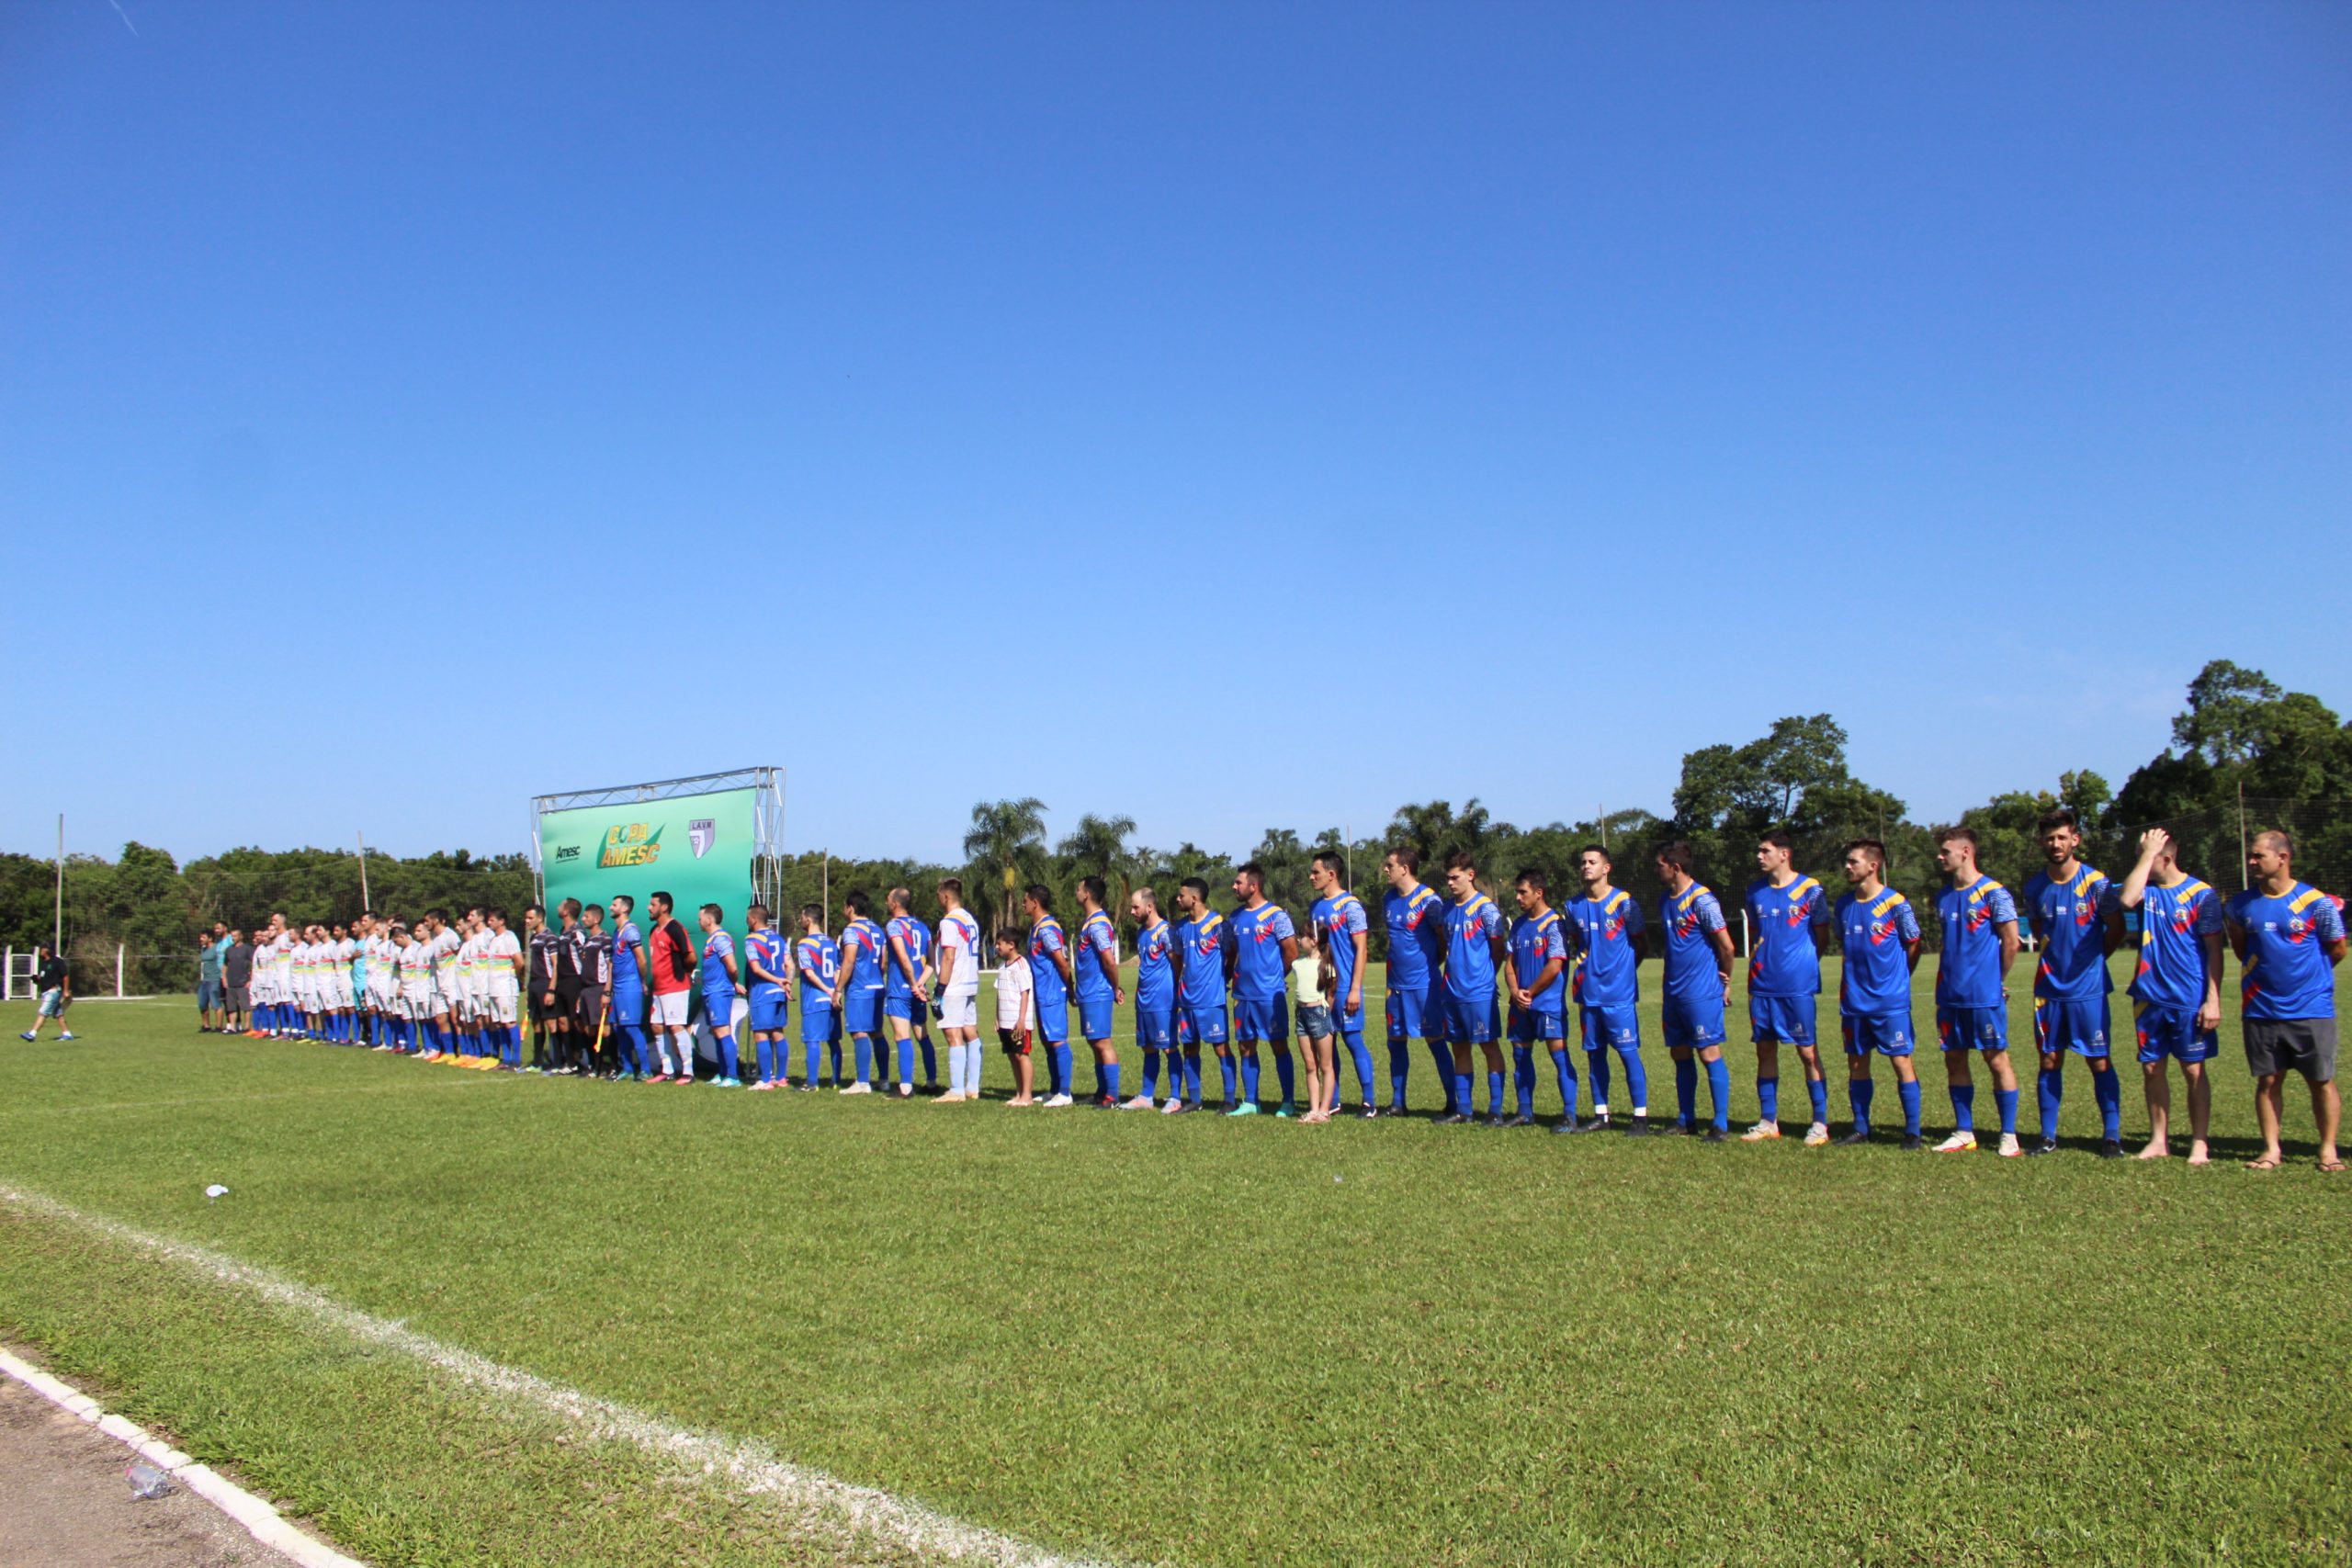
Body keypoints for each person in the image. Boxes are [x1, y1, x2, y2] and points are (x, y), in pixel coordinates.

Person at [2224, 830, 2346, 1172]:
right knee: (2268, 1080)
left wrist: (2307, 981)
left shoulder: (2316, 903)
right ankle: (2270, 1150)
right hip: (2261, 1009)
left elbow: (2337, 949)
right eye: (2251, 855)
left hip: (2312, 1009)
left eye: (2258, 856)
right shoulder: (2239, 905)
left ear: (2283, 858)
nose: (2251, 861)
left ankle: (2327, 1151)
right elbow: (2240, 948)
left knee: (2321, 1080)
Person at [2022, 808, 2124, 1157]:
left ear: (2075, 840)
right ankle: (2048, 1136)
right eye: (2049, 838)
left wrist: (2093, 961)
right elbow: (2040, 933)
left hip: (2089, 990)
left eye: (2062, 837)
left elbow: (2117, 929)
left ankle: (2111, 1136)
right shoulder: (2035, 887)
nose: (2056, 843)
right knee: (2049, 1060)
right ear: (2041, 842)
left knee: (2099, 1060)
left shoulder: (2096, 883)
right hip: (2049, 990)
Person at [2116, 828, 2222, 1164]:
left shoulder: (2202, 895)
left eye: (2146, 856)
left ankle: (2199, 1142)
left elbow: (2215, 951)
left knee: (2193, 1070)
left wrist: (2213, 999)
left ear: (2167, 857)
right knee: (2152, 1070)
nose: (2141, 862)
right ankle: (2158, 1140)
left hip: (2189, 997)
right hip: (2149, 997)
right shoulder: (2147, 892)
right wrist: (2146, 854)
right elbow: (2126, 899)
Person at [1930, 828, 2024, 1156]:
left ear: (1966, 851)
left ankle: (2008, 1135)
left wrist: (1995, 979)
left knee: (1996, 1059)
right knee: (1954, 1059)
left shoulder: (1993, 892)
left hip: (1983, 995)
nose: (1940, 857)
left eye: (1945, 851)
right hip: (1949, 995)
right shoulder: (1942, 896)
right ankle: (1964, 1131)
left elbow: (2012, 941)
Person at [1743, 832, 1835, 1145]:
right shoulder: (1755, 892)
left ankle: (1820, 1123)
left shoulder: (1810, 889)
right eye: (1758, 850)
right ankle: (1768, 1120)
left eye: (1765, 850)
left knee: (1807, 1053)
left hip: (1797, 985)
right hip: (1763, 984)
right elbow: (1757, 935)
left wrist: (1805, 963)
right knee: (1764, 1050)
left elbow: (1822, 934)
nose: (1759, 856)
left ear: (1784, 854)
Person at [1833, 840, 1925, 1149]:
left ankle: (1912, 1131)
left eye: (1853, 861)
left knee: (1901, 1061)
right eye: (1847, 861)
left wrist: (1898, 979)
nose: (1848, 866)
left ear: (1873, 866)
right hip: (1854, 1001)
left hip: (1889, 1001)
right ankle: (1860, 1128)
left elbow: (1914, 943)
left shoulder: (1896, 903)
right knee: (1857, 1064)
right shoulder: (1844, 905)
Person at [1564, 846, 1650, 1134]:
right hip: (1588, 994)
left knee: (1628, 1053)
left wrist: (1623, 971)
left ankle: (1640, 1117)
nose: (1586, 866)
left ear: (1607, 868)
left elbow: (1640, 942)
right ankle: (1601, 1114)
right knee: (1594, 1053)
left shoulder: (1624, 903)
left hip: (1619, 995)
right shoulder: (1572, 906)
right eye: (1583, 862)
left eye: (1592, 862)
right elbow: (1576, 942)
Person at [1656, 841, 1736, 1141]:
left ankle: (1720, 1124)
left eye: (1660, 865)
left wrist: (1725, 983)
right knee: (1679, 1053)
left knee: (1708, 1052)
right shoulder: (1665, 899)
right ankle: (1686, 1119)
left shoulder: (1702, 899)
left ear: (1675, 867)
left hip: (1700, 992)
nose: (1657, 870)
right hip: (1673, 992)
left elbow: (1727, 946)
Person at [1437, 852, 1510, 1126]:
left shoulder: (1486, 909)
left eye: (1455, 877)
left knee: (1489, 1047)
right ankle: (1464, 1110)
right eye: (1448, 878)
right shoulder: (1446, 908)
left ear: (1470, 875)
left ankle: (1495, 1109)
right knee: (1460, 1049)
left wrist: (1487, 976)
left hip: (1478, 991)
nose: (1451, 883)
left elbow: (1497, 947)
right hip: (1452, 990)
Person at [1381, 848, 1453, 1117]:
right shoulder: (1388, 898)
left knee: (1435, 1040)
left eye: (1390, 865)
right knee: (1395, 1041)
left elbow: (1442, 936)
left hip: (1424, 985)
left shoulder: (1428, 899)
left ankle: (1452, 1102)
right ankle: (1398, 1103)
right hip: (1395, 985)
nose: (1386, 869)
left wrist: (1435, 961)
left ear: (1405, 868)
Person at [1307, 852, 1378, 1117]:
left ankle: (1369, 1102)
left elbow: (1361, 949)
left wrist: (1355, 988)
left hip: (1346, 985)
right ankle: (1332, 1100)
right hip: (1323, 988)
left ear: (1331, 874)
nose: (1311, 877)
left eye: (1316, 872)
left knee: (1352, 1040)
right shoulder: (1315, 908)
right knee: (1327, 1042)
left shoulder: (1350, 906)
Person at [1228, 863, 1299, 1116]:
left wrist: (1275, 977)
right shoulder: (1235, 917)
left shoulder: (1276, 916)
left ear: (1254, 886)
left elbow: (1291, 951)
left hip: (1269, 995)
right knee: (1246, 1046)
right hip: (1242, 995)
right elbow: (1232, 953)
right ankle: (1250, 1101)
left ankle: (1288, 1101)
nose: (1234, 886)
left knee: (1278, 1045)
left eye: (1239, 882)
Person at [1508, 869, 1572, 1132]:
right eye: (1517, 892)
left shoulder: (1554, 924)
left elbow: (1555, 965)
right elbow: (1509, 964)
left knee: (1559, 1057)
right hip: (1521, 1004)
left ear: (1539, 893)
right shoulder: (1520, 925)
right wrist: (1514, 990)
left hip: (1547, 1004)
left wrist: (1530, 992)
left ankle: (1569, 1115)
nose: (1518, 897)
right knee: (1520, 1055)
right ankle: (1525, 1112)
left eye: (1523, 892)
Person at [1169, 877, 1227, 1113]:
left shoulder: (1218, 923)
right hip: (1187, 1000)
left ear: (1194, 898)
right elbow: (1179, 960)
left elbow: (1231, 953)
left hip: (1212, 1000)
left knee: (1221, 1048)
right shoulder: (1180, 928)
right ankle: (1194, 1099)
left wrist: (1225, 977)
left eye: (1181, 895)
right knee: (1190, 1048)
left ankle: (1229, 1099)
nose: (1177, 899)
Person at [1073, 876, 1125, 1107]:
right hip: (1087, 991)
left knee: (1103, 1042)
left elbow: (1108, 960)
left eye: (1078, 889)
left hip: (1097, 991)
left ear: (1086, 894)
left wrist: (1115, 987)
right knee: (1095, 1042)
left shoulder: (1097, 924)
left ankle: (1112, 1096)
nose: (1076, 892)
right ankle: (1102, 1091)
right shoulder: (1089, 922)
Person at [1124, 887, 1176, 1110]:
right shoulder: (1141, 933)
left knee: (1168, 1047)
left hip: (1163, 1000)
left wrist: (1179, 997)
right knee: (1148, 1047)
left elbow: (1178, 965)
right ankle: (1146, 1097)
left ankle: (1175, 1098)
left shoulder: (1166, 931)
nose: (1132, 911)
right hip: (1143, 1000)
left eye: (1136, 907)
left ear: (1150, 906)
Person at [1023, 886, 1076, 1108]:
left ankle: (1065, 1093)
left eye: (1025, 900)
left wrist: (1070, 987)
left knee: (1057, 1040)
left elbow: (1061, 962)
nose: (1022, 904)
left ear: (1035, 902)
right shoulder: (1035, 927)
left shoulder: (1047, 928)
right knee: (1047, 1041)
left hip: (1052, 991)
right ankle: (1054, 1089)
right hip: (1041, 992)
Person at [933, 879, 984, 1102]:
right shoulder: (969, 919)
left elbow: (949, 956)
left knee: (953, 1035)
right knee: (970, 1033)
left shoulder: (949, 922)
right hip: (970, 982)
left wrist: (939, 990)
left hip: (954, 985)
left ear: (945, 896)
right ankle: (972, 1086)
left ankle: (956, 1090)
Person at [883, 887, 937, 1097]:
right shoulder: (922, 927)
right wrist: (921, 984)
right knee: (923, 1035)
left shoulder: (893, 925)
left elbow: (903, 957)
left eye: (888, 899)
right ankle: (932, 1082)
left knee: (902, 1035)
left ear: (895, 903)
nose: (887, 902)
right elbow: (932, 960)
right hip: (918, 990)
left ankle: (905, 1087)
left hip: (900, 988)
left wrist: (913, 983)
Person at [834, 892, 888, 1095]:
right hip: (877, 986)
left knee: (859, 1032)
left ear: (850, 907)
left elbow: (848, 961)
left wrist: (838, 989)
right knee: (877, 1032)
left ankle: (863, 1082)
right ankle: (883, 1080)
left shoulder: (852, 930)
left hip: (859, 988)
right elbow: (882, 962)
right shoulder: (877, 929)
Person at [647, 891, 698, 1084]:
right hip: (658, 989)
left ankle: (688, 1071)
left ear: (664, 907)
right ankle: (667, 1069)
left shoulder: (675, 928)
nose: (649, 908)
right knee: (657, 1026)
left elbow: (691, 956)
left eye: (653, 905)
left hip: (675, 987)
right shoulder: (653, 931)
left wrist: (683, 973)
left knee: (676, 1026)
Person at [1293, 923, 1337, 1124]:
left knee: (1326, 1065)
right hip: (1301, 1014)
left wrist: (1326, 1009)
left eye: (1303, 936)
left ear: (1314, 940)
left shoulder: (1326, 965)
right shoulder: (1297, 964)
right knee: (1311, 1065)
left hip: (1319, 1013)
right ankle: (1313, 1109)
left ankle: (1324, 1111)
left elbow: (1332, 991)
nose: (1299, 940)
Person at [744, 903, 792, 1089]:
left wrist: (777, 980)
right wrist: (786, 982)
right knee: (778, 1032)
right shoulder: (779, 939)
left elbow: (756, 968)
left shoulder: (752, 940)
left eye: (748, 917)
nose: (747, 920)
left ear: (754, 919)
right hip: (779, 992)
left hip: (763, 991)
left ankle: (765, 1080)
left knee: (760, 1033)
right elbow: (790, 964)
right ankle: (781, 1078)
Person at [795, 906, 842, 1090]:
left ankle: (812, 1083)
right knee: (833, 1040)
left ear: (808, 919)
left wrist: (827, 991)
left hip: (815, 998)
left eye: (801, 916)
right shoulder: (831, 942)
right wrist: (836, 991)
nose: (800, 920)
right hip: (832, 999)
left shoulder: (804, 944)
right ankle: (836, 1080)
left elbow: (809, 973)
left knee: (812, 1040)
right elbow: (838, 969)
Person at [696, 903, 743, 1088]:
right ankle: (723, 1072)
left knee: (723, 1031)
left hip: (719, 992)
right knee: (717, 1032)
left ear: (709, 919)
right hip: (710, 991)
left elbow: (732, 966)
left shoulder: (721, 939)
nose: (698, 921)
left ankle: (733, 1076)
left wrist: (732, 983)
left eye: (700, 917)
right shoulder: (711, 939)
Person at [607, 894, 652, 1081]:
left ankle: (646, 1069)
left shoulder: (631, 931)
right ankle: (627, 1068)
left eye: (614, 904)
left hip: (629, 986)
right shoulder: (617, 932)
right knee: (619, 1028)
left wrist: (641, 981)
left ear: (624, 909)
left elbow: (641, 960)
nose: (611, 907)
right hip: (617, 988)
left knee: (632, 1027)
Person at [994, 931, 1038, 1106]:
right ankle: (1019, 1093)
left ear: (1011, 945)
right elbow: (999, 993)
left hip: (1017, 1022)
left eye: (1000, 943)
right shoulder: (1002, 966)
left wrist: (1022, 1019)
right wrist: (997, 1017)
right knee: (1012, 1056)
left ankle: (1027, 1095)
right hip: (1004, 1021)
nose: (997, 947)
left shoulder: (1021, 965)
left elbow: (1025, 993)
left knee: (1021, 1055)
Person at [572, 903, 614, 1077]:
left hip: (599, 988)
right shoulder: (588, 941)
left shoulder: (605, 940)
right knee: (588, 1029)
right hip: (586, 989)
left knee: (603, 1029)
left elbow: (611, 965)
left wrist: (606, 990)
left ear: (596, 919)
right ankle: (594, 1065)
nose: (583, 919)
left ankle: (611, 1065)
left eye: (586, 916)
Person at [482, 908, 524, 1070]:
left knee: (509, 1023)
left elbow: (519, 961)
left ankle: (516, 1059)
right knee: (499, 1023)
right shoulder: (493, 940)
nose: (489, 923)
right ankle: (505, 1059)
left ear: (502, 921)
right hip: (493, 989)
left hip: (506, 988)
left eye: (492, 920)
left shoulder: (509, 937)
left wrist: (517, 978)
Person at [524, 906, 561, 1072]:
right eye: (526, 918)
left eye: (530, 918)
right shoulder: (533, 938)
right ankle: (537, 1062)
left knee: (551, 1023)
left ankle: (557, 1062)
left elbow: (556, 964)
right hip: (534, 984)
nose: (527, 921)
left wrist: (551, 989)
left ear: (540, 918)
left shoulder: (550, 937)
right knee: (536, 1023)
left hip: (546, 983)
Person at [20, 942, 74, 1041]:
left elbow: (65, 976)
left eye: (42, 949)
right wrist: (37, 979)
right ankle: (67, 1034)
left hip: (54, 991)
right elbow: (43, 978)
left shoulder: (57, 961)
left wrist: (65, 990)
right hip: (46, 992)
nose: (40, 951)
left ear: (46, 950)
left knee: (43, 1012)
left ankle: (32, 1034)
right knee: (58, 1013)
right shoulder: (43, 963)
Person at [197, 922, 229, 1032]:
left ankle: (219, 1026)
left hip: (214, 980)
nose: (200, 939)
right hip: (204, 981)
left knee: (216, 1004)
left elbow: (222, 962)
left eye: (203, 937)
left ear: (210, 938)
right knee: (202, 1004)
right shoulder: (203, 949)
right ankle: (206, 1025)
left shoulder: (217, 949)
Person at [222, 928, 253, 1036]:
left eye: (235, 936)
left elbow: (253, 964)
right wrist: (224, 978)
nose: (233, 938)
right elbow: (225, 964)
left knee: (246, 1006)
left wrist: (250, 980)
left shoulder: (247, 949)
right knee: (231, 1007)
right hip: (231, 982)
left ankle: (246, 1027)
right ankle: (233, 1028)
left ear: (241, 936)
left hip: (243, 982)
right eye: (231, 936)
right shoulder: (229, 950)